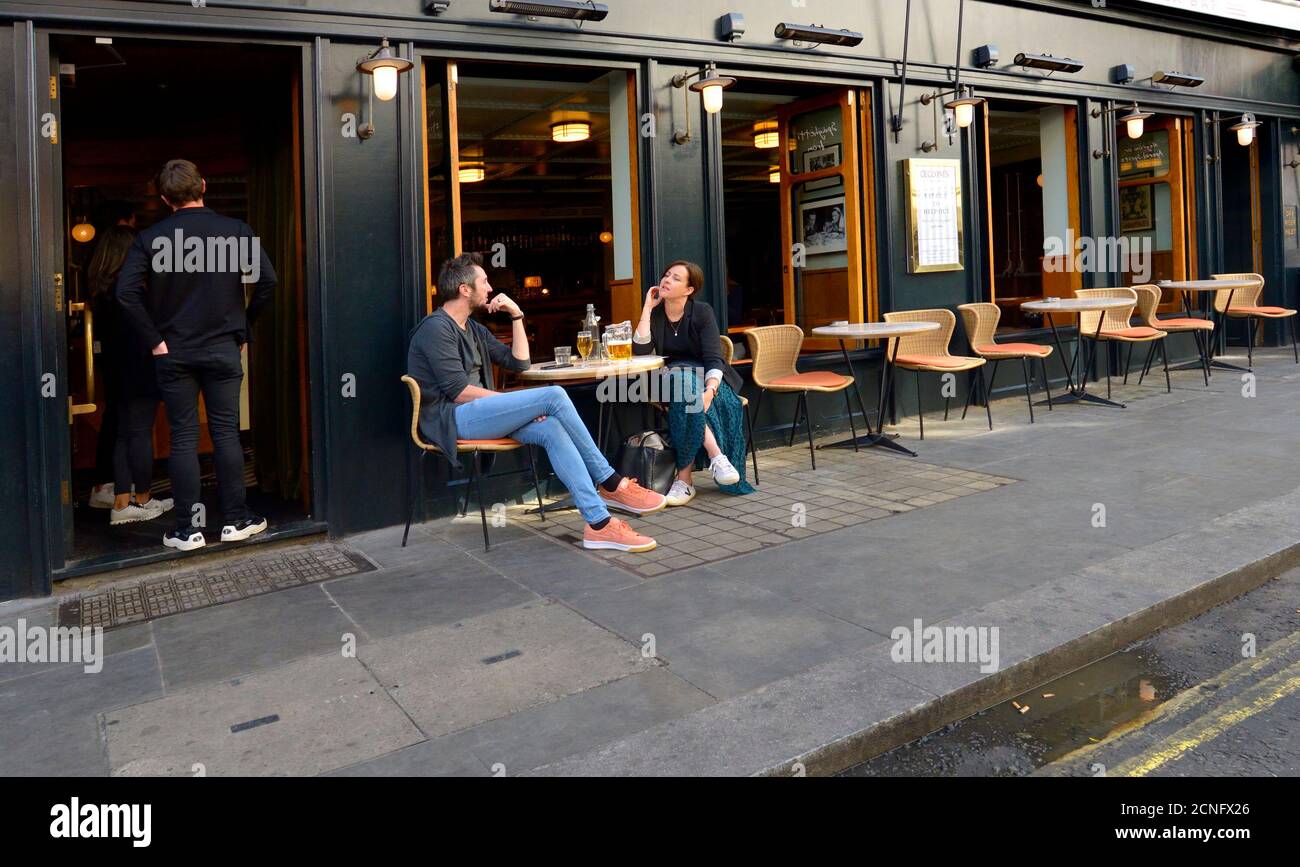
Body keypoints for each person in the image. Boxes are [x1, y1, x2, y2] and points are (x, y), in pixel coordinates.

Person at [408, 253, 666, 552]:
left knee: (553, 427)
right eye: (484, 282)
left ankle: (599, 525)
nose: (490, 288)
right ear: (465, 289)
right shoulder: (436, 328)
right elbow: (458, 392)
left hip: (483, 414)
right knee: (553, 395)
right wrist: (521, 405)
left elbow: (519, 362)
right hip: (452, 419)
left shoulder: (474, 329)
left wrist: (516, 314)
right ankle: (609, 481)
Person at [116, 159, 276, 551]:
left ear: (165, 198)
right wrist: (243, 327)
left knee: (183, 437)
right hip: (222, 346)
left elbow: (125, 293)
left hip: (174, 351)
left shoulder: (150, 239)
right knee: (226, 435)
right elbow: (267, 282)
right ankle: (236, 521)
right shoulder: (234, 231)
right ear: (203, 185)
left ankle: (187, 530)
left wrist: (155, 340)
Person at [634, 260, 754, 506]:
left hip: (706, 377)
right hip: (670, 380)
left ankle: (685, 480)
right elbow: (641, 351)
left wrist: (710, 390)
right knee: (681, 381)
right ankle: (717, 456)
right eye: (667, 275)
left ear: (689, 289)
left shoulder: (702, 311)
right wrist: (647, 308)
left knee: (685, 393)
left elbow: (713, 358)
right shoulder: (656, 314)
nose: (667, 280)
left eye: (676, 278)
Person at [87, 225, 173, 525]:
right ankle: (143, 499)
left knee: (125, 435)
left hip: (115, 370)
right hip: (139, 367)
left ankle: (123, 502)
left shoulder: (103, 291)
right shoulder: (131, 291)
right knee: (140, 434)